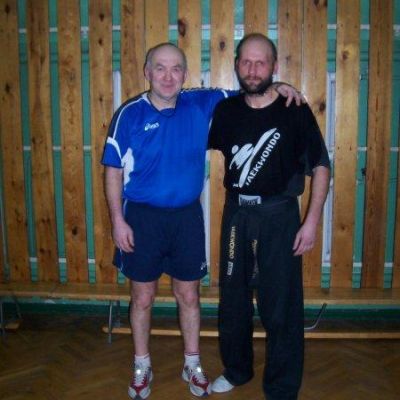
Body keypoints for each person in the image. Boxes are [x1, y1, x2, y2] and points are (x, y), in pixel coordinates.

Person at [101, 42, 302, 399]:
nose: (168, 76)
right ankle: (141, 365)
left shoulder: (202, 102)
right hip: (142, 218)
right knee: (142, 296)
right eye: (160, 68)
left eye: (176, 68)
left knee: (189, 295)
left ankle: (191, 363)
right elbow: (112, 170)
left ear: (185, 74)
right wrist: (118, 220)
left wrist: (279, 85)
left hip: (187, 218)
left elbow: (251, 90)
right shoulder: (128, 114)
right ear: (147, 72)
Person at [208, 33, 330, 400]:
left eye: (261, 62)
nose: (252, 69)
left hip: (280, 216)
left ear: (274, 66)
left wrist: (311, 221)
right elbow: (182, 106)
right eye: (246, 62)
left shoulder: (295, 110)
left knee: (282, 305)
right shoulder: (226, 111)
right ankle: (237, 370)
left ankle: (281, 387)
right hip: (237, 215)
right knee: (233, 299)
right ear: (236, 65)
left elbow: (321, 166)